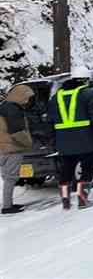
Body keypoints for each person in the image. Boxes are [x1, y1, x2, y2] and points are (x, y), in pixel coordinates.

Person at [47, 66, 93, 210]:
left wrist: (53, 140)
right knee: (87, 169)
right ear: (85, 80)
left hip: (64, 142)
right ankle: (82, 199)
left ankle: (66, 201)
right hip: (86, 140)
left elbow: (50, 122)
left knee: (66, 170)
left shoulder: (56, 97)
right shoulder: (89, 94)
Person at [0, 85, 35, 215]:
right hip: (11, 149)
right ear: (22, 96)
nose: (28, 101)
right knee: (10, 178)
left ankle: (8, 204)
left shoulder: (3, 106)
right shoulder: (13, 110)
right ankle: (7, 207)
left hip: (2, 148)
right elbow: (17, 132)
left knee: (7, 177)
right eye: (28, 98)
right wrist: (28, 143)